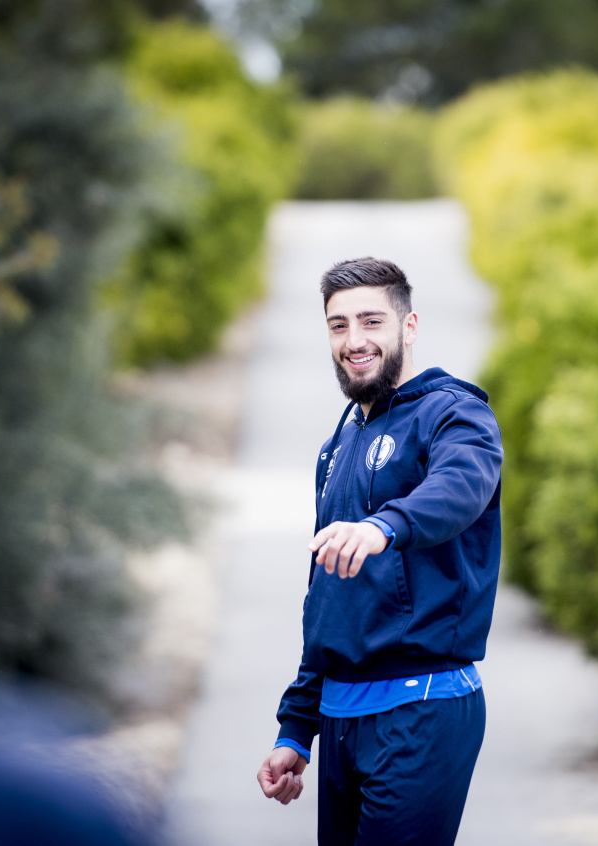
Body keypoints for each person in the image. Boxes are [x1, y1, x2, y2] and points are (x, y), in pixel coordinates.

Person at [255, 257, 503, 845]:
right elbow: (327, 599)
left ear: (408, 326)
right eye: (338, 325)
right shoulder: (338, 444)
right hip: (340, 718)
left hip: (423, 707)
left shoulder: (456, 413)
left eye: (371, 321)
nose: (354, 340)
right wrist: (297, 728)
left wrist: (385, 525)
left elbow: (460, 487)